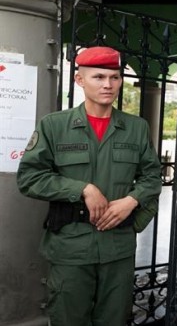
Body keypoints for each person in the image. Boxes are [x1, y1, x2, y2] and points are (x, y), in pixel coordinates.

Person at [16, 46, 162, 325]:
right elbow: (29, 178)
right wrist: (83, 189)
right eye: (98, 77)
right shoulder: (54, 126)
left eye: (115, 77)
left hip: (118, 250)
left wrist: (131, 203)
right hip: (71, 248)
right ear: (80, 80)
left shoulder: (136, 128)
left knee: (114, 320)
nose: (108, 84)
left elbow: (152, 177)